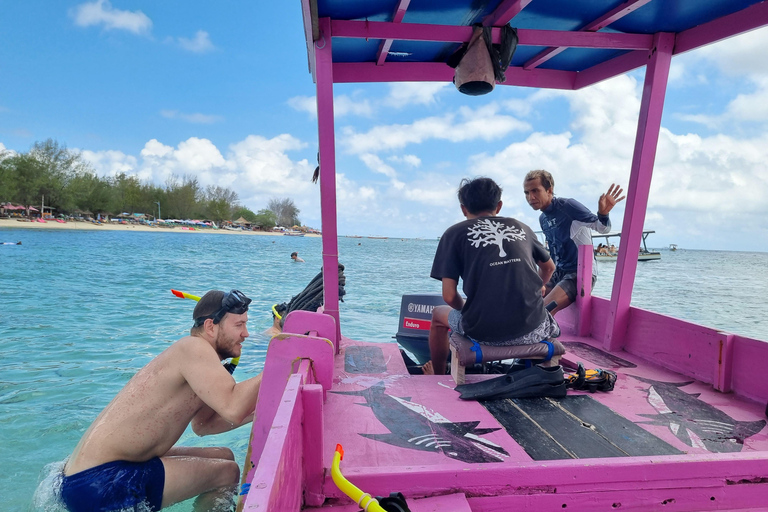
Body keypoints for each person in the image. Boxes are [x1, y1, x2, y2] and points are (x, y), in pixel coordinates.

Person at [60, 290, 262, 512]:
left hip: (82, 479)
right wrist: (281, 359)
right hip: (100, 481)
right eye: (239, 325)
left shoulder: (200, 359)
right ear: (211, 327)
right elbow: (233, 407)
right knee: (227, 473)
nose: (246, 334)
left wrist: (260, 411)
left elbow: (204, 425)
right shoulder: (193, 348)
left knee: (224, 456)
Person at [423, 177, 559, 376]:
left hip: (482, 333)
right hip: (533, 329)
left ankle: (437, 373)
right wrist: (540, 287)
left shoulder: (453, 234)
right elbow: (549, 268)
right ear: (499, 205)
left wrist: (466, 309)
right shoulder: (521, 227)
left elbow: (449, 296)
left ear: (463, 209)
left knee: (437, 315)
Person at [523, 169, 625, 315]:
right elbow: (552, 254)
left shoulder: (568, 206)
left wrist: (603, 213)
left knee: (544, 310)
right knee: (525, 303)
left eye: (535, 191)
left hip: (580, 274)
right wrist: (540, 282)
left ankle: (547, 337)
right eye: (526, 193)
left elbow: (602, 228)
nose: (530, 197)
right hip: (558, 273)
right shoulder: (543, 219)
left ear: (549, 190)